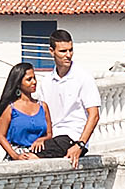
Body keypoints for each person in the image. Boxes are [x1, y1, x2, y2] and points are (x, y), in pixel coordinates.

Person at [36, 29, 101, 170]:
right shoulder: (46, 82)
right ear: (51, 51)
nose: (68, 55)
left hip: (73, 138)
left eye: (70, 50)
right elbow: (44, 116)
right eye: (63, 51)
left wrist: (80, 145)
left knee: (32, 158)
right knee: (21, 153)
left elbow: (94, 115)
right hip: (53, 139)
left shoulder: (83, 77)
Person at [0, 61, 55, 160]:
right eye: (29, 79)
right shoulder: (10, 108)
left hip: (40, 155)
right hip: (18, 156)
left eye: (34, 78)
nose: (34, 82)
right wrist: (15, 156)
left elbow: (49, 134)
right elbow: (1, 136)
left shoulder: (43, 106)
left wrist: (41, 140)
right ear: (18, 83)